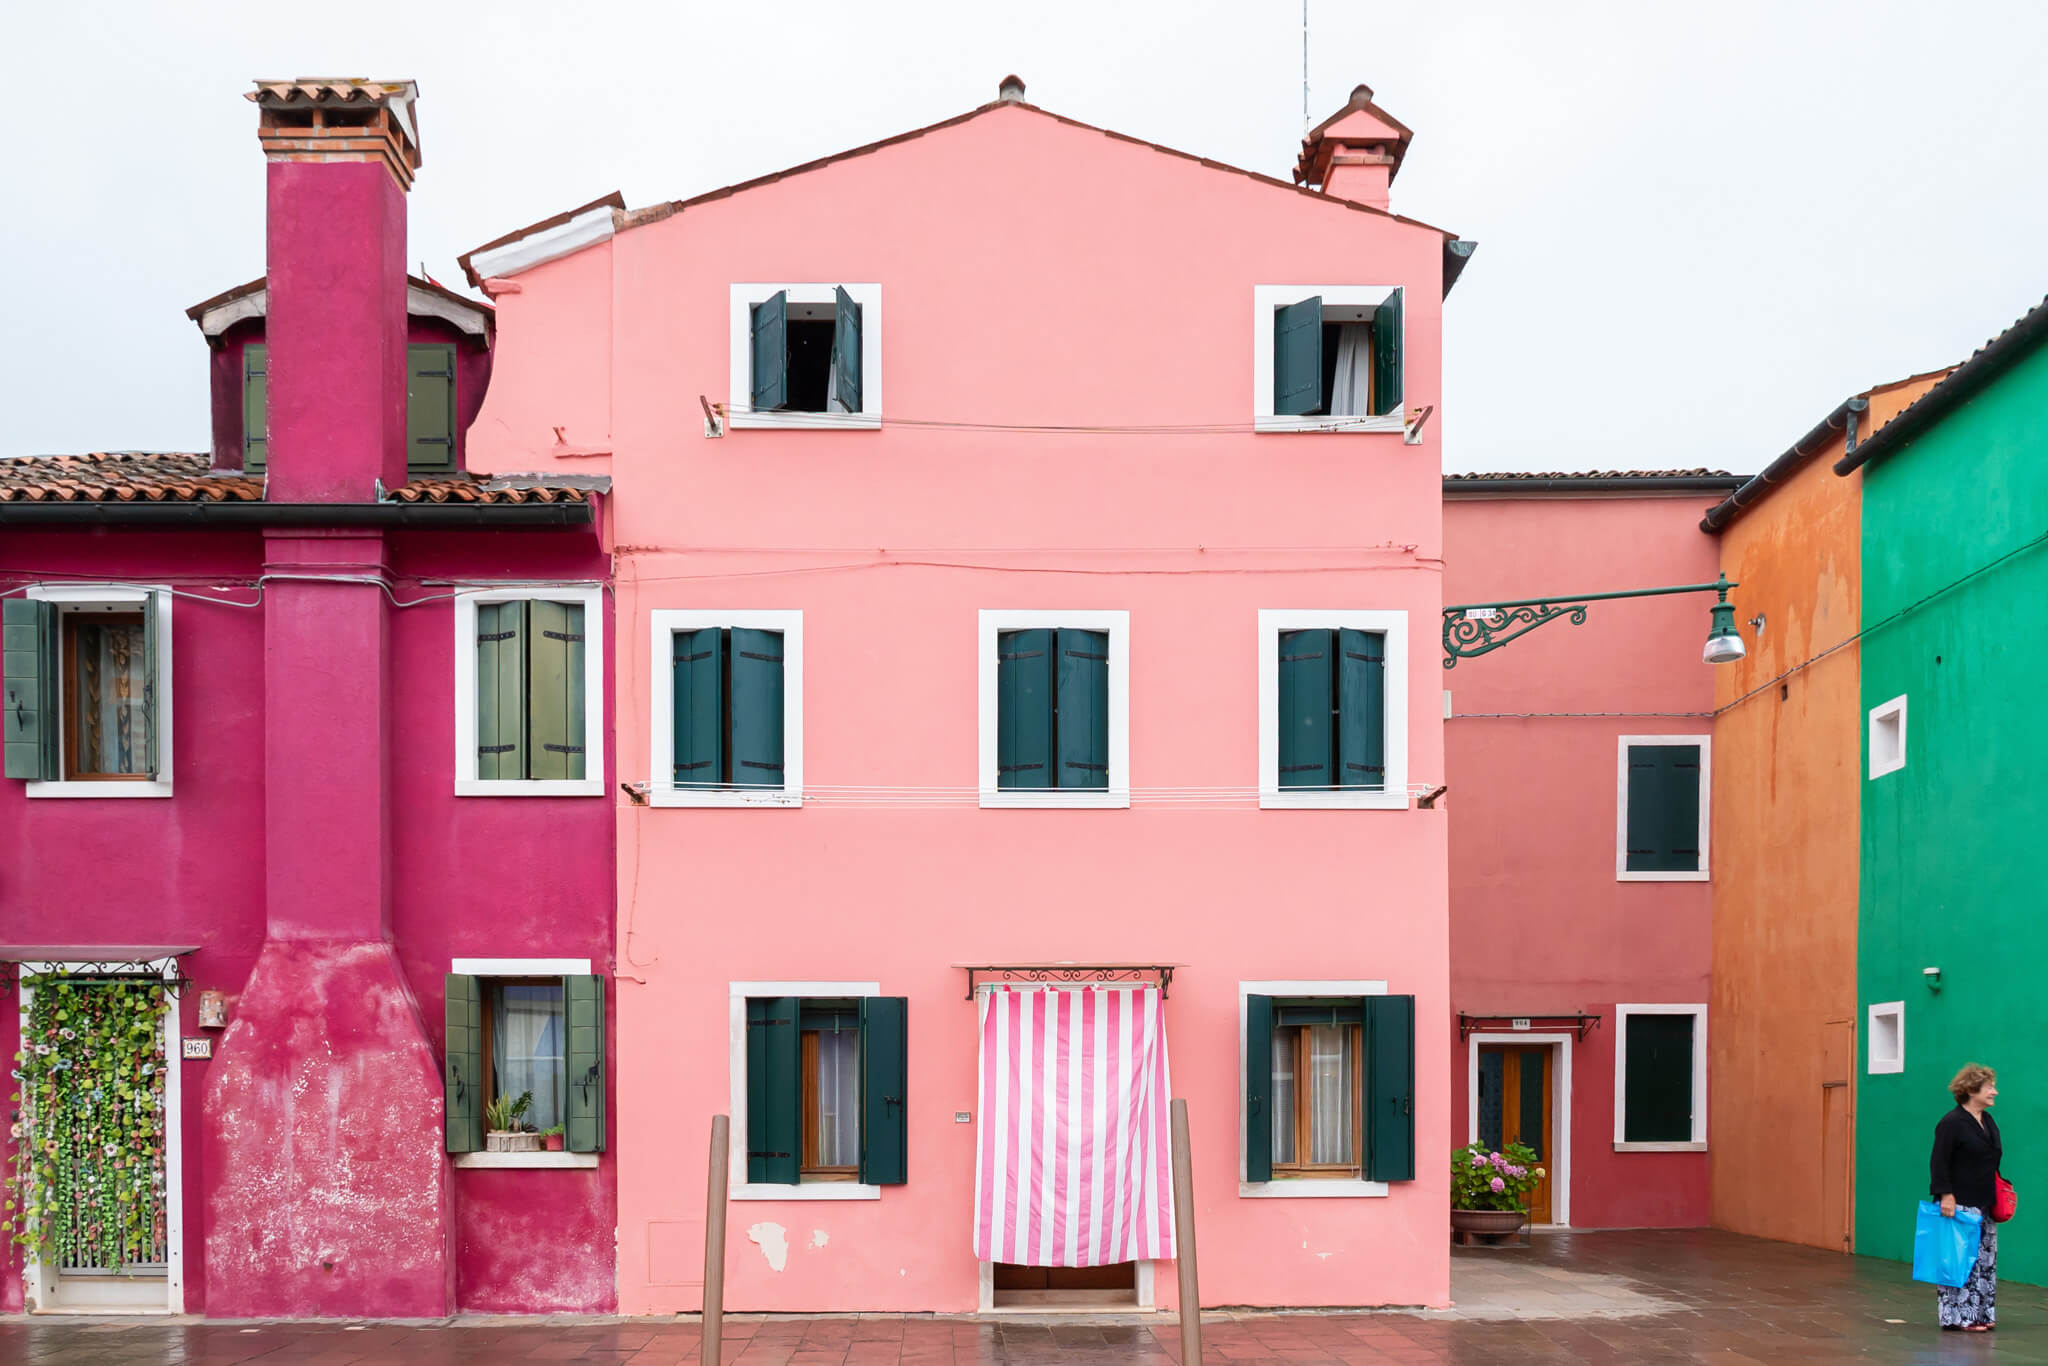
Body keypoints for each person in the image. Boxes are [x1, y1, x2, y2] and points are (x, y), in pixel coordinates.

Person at [1930, 1062, 2003, 1332]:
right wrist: (1945, 1195)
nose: (1994, 1092)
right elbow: (1939, 1161)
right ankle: (1959, 1316)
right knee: (1959, 1259)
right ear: (1972, 1090)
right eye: (1989, 1088)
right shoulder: (1952, 1123)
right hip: (1959, 1203)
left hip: (1984, 1202)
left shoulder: (1987, 1120)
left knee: (1985, 1261)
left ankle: (1982, 1312)